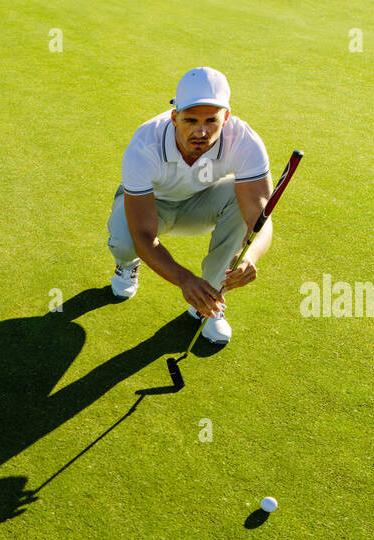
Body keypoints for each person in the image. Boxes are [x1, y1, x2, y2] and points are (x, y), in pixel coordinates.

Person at [106, 67, 274, 344]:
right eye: (191, 120)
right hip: (151, 206)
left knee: (240, 199)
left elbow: (260, 218)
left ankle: (210, 302)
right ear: (175, 117)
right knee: (126, 240)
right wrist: (184, 279)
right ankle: (127, 265)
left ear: (226, 118)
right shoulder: (145, 143)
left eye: (211, 120)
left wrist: (251, 256)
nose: (201, 131)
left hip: (202, 205)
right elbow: (143, 235)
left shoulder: (245, 141)